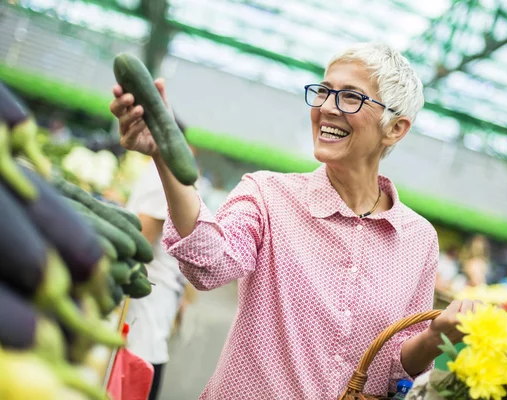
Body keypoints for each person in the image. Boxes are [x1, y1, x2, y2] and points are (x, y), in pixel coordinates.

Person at [110, 42, 477, 399]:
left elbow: (395, 369)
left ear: (395, 128)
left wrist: (433, 339)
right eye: (323, 91)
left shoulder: (418, 240)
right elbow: (209, 263)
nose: (327, 108)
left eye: (351, 97)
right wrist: (164, 156)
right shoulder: (267, 195)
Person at [123, 122, 208, 400]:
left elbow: (137, 245)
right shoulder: (165, 176)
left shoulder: (162, 177)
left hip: (145, 317)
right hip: (152, 309)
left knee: (139, 381)